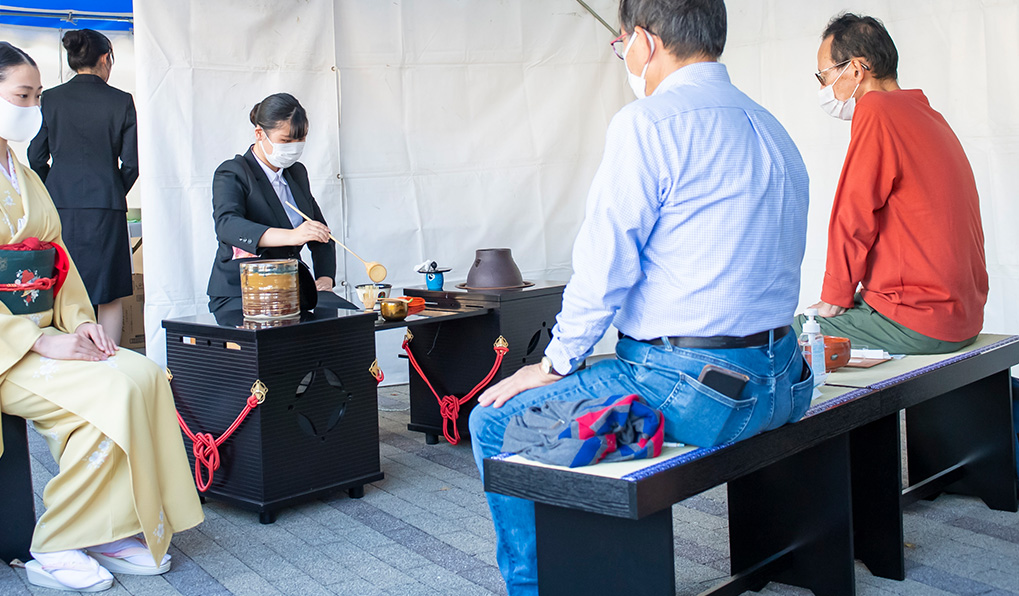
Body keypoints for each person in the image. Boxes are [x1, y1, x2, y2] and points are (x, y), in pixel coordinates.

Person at [467, 1, 812, 593]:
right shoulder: (771, 125)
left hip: (698, 396)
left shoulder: (648, 123)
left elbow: (604, 270)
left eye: (621, 41)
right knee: (597, 397)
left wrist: (554, 364)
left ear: (645, 43)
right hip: (784, 384)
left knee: (495, 423)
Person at [0, 42, 203, 592]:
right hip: (7, 349)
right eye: (24, 95)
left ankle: (113, 525)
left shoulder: (23, 170)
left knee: (141, 374)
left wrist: (78, 321)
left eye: (37, 95)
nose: (34, 106)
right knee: (109, 394)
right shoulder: (114, 103)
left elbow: (57, 254)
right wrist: (35, 342)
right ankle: (57, 541)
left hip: (44, 331)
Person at [795, 13, 988, 354]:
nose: (824, 88)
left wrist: (833, 298)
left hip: (920, 318)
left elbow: (853, 214)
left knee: (788, 334)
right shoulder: (927, 114)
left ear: (855, 69)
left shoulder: (876, 110)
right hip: (962, 314)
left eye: (823, 76)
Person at [28, 29, 138, 345]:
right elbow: (131, 163)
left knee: (62, 286)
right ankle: (110, 362)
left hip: (60, 206)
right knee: (110, 292)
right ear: (105, 58)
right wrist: (113, 189)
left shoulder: (50, 99)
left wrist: (54, 186)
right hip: (107, 205)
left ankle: (71, 357)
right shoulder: (122, 101)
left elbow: (36, 156)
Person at [207, 93, 356, 313]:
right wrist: (293, 236)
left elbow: (319, 232)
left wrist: (325, 278)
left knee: (350, 322)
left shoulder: (296, 172)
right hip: (241, 292)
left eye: (301, 139)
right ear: (259, 134)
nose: (294, 147)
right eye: (286, 141)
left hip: (291, 289)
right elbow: (227, 226)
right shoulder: (232, 172)